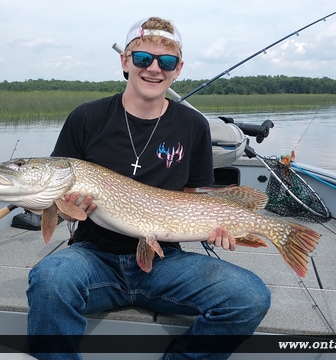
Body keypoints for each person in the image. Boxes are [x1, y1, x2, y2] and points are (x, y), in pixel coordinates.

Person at [26, 17, 271, 359]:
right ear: (125, 62)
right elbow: (47, 199)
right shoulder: (87, 118)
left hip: (165, 261)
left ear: (178, 69)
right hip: (94, 256)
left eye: (165, 62)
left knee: (250, 296)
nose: (154, 69)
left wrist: (217, 229)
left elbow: (189, 197)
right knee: (50, 279)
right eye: (143, 59)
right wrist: (65, 204)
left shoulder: (193, 125)